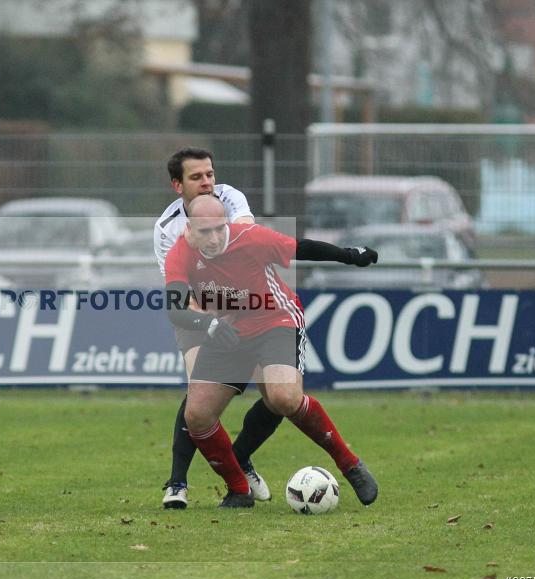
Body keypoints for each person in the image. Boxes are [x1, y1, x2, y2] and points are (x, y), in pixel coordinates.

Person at [164, 194, 379, 508]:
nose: (213, 238)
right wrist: (208, 324)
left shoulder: (250, 237)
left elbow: (301, 247)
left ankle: (349, 464)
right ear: (188, 230)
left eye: (219, 229)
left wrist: (350, 255)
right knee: (196, 415)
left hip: (275, 319)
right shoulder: (180, 253)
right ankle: (239, 490)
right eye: (204, 231)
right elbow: (175, 307)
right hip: (227, 329)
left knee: (283, 398)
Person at [154, 147, 283, 509]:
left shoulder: (231, 198)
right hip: (199, 314)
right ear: (177, 186)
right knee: (200, 389)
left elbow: (244, 245)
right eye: (197, 177)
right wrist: (209, 321)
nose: (207, 182)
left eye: (210, 174)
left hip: (249, 309)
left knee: (277, 397)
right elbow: (179, 294)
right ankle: (177, 482)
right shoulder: (167, 228)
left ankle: (239, 456)